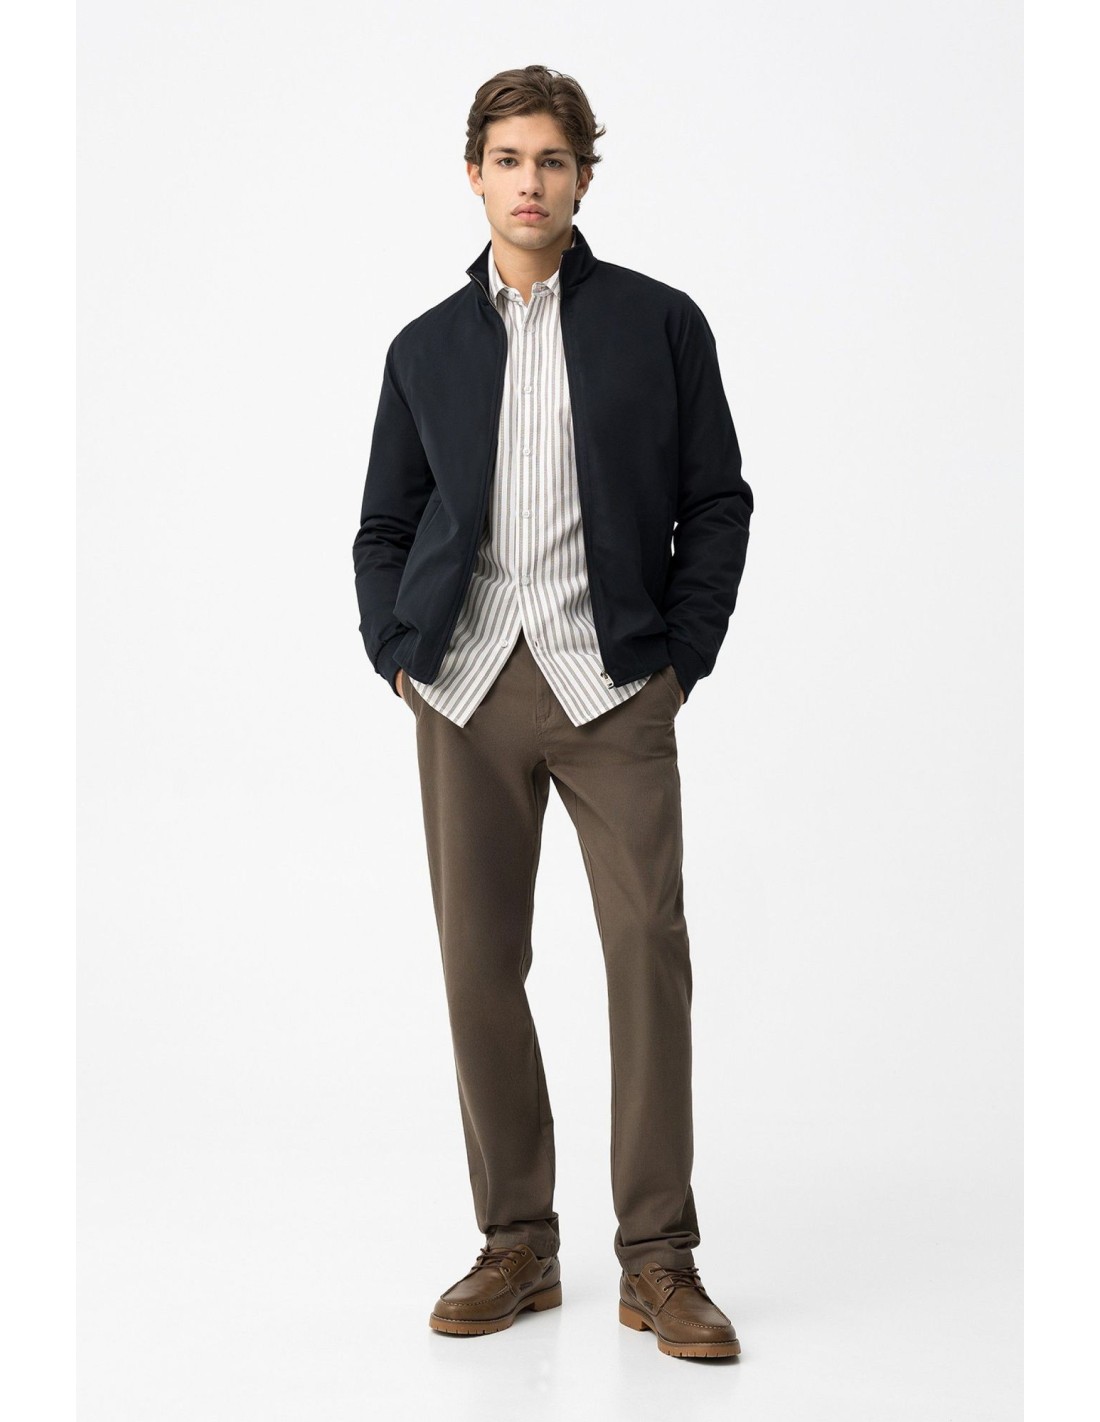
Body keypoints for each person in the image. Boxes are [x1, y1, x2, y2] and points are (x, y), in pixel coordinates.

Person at [352, 64, 752, 1360]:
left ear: (584, 177)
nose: (531, 182)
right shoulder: (424, 348)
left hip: (614, 680)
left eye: (554, 160)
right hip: (465, 685)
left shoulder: (659, 325)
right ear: (475, 174)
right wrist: (397, 654)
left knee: (646, 947)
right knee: (479, 962)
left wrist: (681, 656)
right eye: (510, 159)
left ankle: (660, 1257)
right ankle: (517, 1240)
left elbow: (718, 500)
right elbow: (384, 524)